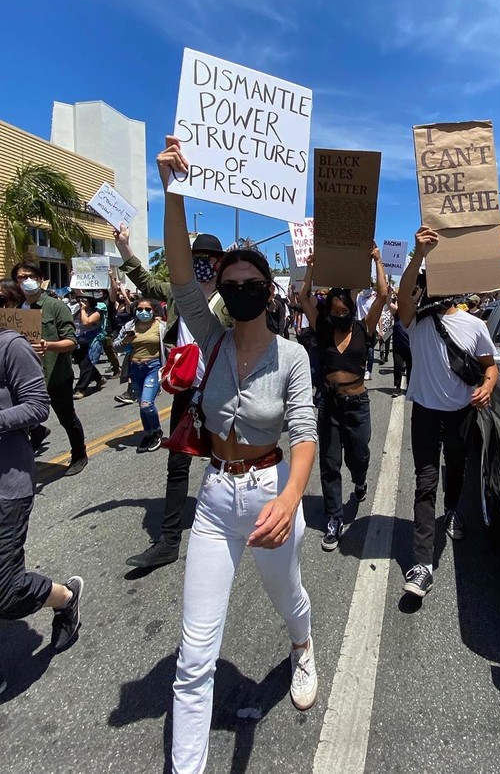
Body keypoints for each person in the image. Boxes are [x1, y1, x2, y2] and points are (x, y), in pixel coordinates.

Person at [158, 136, 318, 773]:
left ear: (269, 292)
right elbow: (175, 272)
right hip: (215, 499)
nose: (244, 288)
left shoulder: (293, 357)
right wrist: (173, 191)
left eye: (255, 281)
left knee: (290, 598)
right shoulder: (212, 336)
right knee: (196, 653)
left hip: (270, 494)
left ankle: (303, 645)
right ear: (222, 290)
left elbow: (304, 434)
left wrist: (289, 496)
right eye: (234, 281)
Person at [113, 224, 231, 569]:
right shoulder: (182, 291)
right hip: (186, 392)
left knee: (226, 460)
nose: (201, 264)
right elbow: (147, 283)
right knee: (177, 462)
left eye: (208, 259)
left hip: (221, 391)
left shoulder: (230, 297)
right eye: (196, 258)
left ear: (220, 263)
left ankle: (232, 524)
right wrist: (124, 247)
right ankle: (168, 541)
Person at [397, 227, 499, 598]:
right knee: (424, 485)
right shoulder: (417, 320)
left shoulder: (474, 326)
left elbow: (490, 366)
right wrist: (418, 255)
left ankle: (453, 508)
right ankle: (423, 563)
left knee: (455, 468)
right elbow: (400, 297)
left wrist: (487, 387)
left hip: (460, 412)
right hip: (425, 413)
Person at [0, 324, 84, 686]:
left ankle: (65, 598)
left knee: (4, 591)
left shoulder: (10, 345)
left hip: (6, 485)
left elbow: (37, 407)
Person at [299, 248, 388, 551]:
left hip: (357, 405)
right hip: (330, 405)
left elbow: (382, 295)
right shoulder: (323, 329)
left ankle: (360, 481)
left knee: (358, 455)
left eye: (343, 312)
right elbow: (303, 299)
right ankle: (334, 517)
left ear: (351, 310)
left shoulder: (364, 328)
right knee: (329, 462)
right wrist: (311, 267)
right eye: (334, 312)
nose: (339, 316)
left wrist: (376, 260)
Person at [10, 261, 88, 475]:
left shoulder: (56, 306)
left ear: (39, 278)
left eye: (29, 276)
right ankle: (31, 444)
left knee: (67, 418)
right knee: (21, 419)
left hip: (56, 376)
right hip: (26, 377)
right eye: (20, 277)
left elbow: (71, 341)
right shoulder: (17, 312)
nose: (25, 281)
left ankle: (79, 454)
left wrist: (49, 345)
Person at [114, 299, 166, 452]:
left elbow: (170, 346)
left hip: (153, 367)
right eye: (140, 309)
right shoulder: (129, 326)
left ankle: (156, 431)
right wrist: (125, 341)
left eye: (148, 309)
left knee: (146, 403)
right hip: (135, 368)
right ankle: (148, 433)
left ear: (153, 311)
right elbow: (116, 347)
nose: (144, 312)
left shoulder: (161, 327)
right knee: (140, 402)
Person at [71, 291, 107, 399]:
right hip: (78, 341)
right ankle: (100, 379)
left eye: (84, 300)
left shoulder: (97, 312)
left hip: (91, 342)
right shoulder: (75, 311)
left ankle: (81, 389)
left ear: (90, 302)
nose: (81, 302)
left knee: (86, 364)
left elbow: (86, 322)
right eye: (80, 300)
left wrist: (83, 310)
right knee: (84, 363)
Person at [356, 285, 377, 380]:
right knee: (360, 349)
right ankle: (361, 369)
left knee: (370, 351)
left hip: (370, 328)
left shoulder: (373, 300)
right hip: (359, 327)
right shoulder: (358, 298)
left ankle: (369, 371)